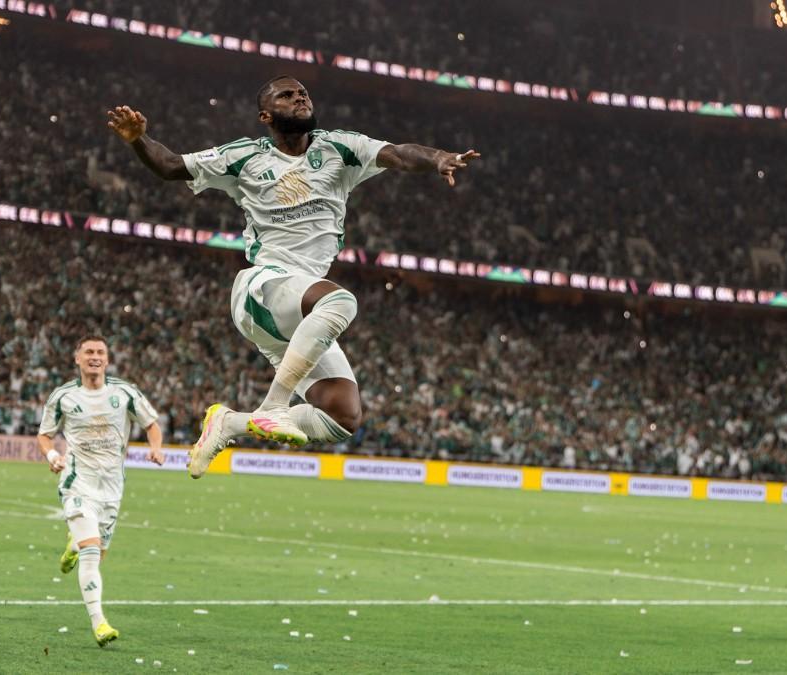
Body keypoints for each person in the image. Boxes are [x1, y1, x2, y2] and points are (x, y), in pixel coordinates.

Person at [106, 75, 479, 477]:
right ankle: (274, 408)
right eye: (286, 96)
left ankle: (230, 423)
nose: (299, 98)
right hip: (262, 287)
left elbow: (401, 154)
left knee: (341, 416)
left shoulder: (340, 147)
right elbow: (171, 166)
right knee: (340, 301)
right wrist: (138, 139)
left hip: (298, 316)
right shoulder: (245, 156)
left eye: (303, 93)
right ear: (266, 115)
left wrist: (438, 157)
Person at [36, 335, 165, 647]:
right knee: (92, 554)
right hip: (77, 481)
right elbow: (45, 435)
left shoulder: (124, 392)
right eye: (89, 352)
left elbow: (151, 424)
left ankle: (74, 545)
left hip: (112, 488)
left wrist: (156, 448)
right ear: (77, 359)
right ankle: (99, 623)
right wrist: (53, 456)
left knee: (97, 551)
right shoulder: (64, 396)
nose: (94, 357)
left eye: (100, 352)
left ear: (107, 360)